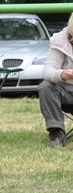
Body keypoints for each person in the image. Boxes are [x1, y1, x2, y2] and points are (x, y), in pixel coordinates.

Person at [38, 13, 73, 148]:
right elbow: (47, 71)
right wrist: (62, 74)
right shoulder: (60, 41)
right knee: (45, 87)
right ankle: (56, 133)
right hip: (67, 94)